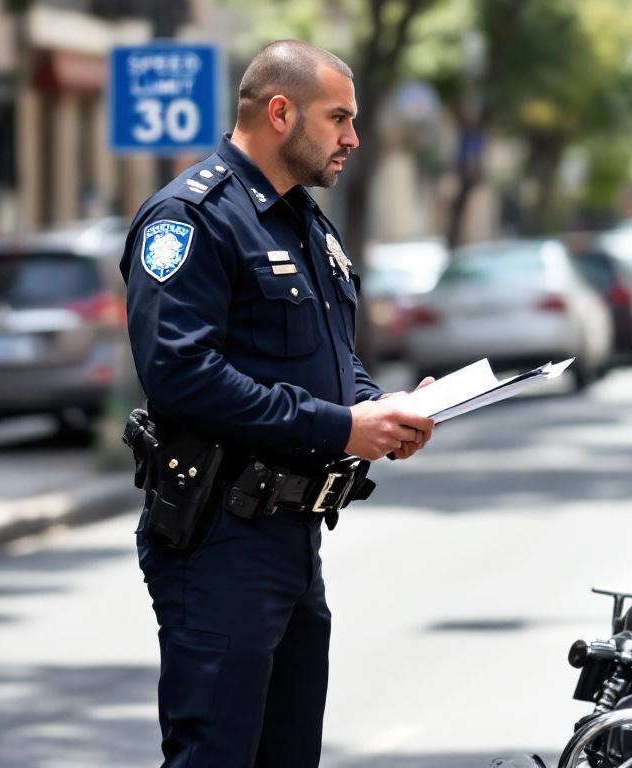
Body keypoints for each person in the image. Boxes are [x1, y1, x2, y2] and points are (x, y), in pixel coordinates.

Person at [121, 40, 435, 767]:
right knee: (217, 755)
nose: (353, 138)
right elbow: (181, 373)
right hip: (219, 538)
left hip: (294, 538)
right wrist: (340, 426)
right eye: (339, 118)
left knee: (287, 754)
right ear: (280, 111)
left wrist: (377, 409)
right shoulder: (189, 218)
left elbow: (326, 356)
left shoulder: (303, 222)